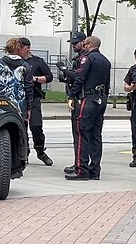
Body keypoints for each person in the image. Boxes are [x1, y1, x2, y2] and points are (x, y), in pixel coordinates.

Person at [64, 36, 111, 181]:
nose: (83, 45)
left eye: (85, 43)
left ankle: (81, 170)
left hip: (88, 99)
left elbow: (80, 78)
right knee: (96, 135)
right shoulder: (106, 61)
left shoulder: (87, 59)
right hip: (101, 99)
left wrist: (72, 96)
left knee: (82, 133)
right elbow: (107, 83)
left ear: (90, 44)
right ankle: (95, 170)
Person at [56, 31, 87, 174]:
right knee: (77, 133)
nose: (74, 45)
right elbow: (73, 78)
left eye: (76, 43)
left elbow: (78, 77)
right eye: (72, 43)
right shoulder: (78, 59)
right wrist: (65, 76)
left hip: (80, 98)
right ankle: (78, 163)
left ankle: (80, 165)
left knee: (79, 132)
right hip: (76, 97)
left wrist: (65, 70)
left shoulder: (84, 59)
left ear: (84, 42)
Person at [19, 37, 54, 166]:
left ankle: (40, 150)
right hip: (19, 98)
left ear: (27, 48)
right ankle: (23, 153)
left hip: (33, 98)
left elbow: (49, 77)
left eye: (20, 47)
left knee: (36, 126)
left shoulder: (37, 62)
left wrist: (35, 79)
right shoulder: (16, 62)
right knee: (21, 128)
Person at [0, 38, 33, 122]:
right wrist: (28, 108)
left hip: (0, 106)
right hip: (20, 107)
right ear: (19, 49)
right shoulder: (25, 66)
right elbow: (28, 88)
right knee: (20, 132)